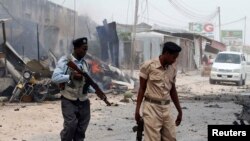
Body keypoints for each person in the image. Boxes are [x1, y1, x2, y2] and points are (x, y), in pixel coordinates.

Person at [51, 37, 110, 141]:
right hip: (69, 99)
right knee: (70, 126)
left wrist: (97, 91)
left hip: (83, 100)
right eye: (84, 49)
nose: (85, 51)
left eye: (86, 49)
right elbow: (55, 78)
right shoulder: (65, 61)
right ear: (76, 48)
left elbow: (87, 83)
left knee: (81, 129)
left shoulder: (85, 63)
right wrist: (70, 76)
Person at [135, 42, 183, 141]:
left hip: (166, 108)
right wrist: (137, 110)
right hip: (151, 108)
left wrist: (179, 110)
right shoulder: (148, 65)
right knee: (152, 139)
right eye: (173, 57)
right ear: (166, 53)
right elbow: (142, 88)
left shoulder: (173, 68)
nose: (174, 60)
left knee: (171, 138)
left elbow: (172, 90)